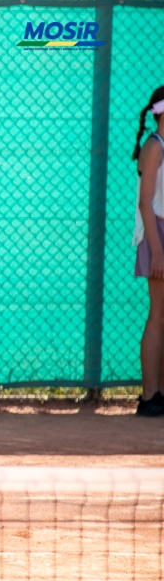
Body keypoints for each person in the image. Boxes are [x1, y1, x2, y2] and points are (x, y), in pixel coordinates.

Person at [132, 86, 164, 417]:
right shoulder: (154, 147)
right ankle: (149, 396)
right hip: (157, 233)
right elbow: (146, 203)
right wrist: (157, 251)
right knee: (158, 314)